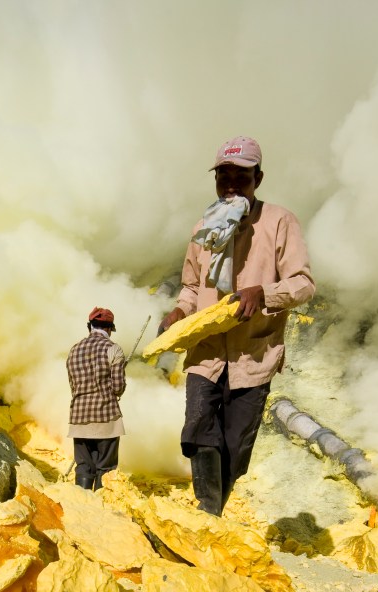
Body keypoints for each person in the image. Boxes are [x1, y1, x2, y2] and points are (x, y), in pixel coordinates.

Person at [160, 135, 315, 516]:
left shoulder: (279, 222)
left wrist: (263, 293)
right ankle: (207, 511)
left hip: (253, 354)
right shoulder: (204, 228)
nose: (230, 185)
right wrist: (179, 312)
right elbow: (192, 286)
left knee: (234, 446)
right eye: (223, 176)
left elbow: (303, 284)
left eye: (240, 177)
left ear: (257, 178)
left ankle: (214, 511)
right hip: (207, 351)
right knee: (198, 425)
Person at [67, 307, 126, 490]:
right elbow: (118, 387)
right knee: (105, 468)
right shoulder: (114, 349)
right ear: (109, 328)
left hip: (78, 419)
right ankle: (103, 510)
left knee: (84, 467)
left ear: (89, 326)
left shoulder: (73, 350)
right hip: (106, 419)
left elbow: (73, 386)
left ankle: (84, 508)